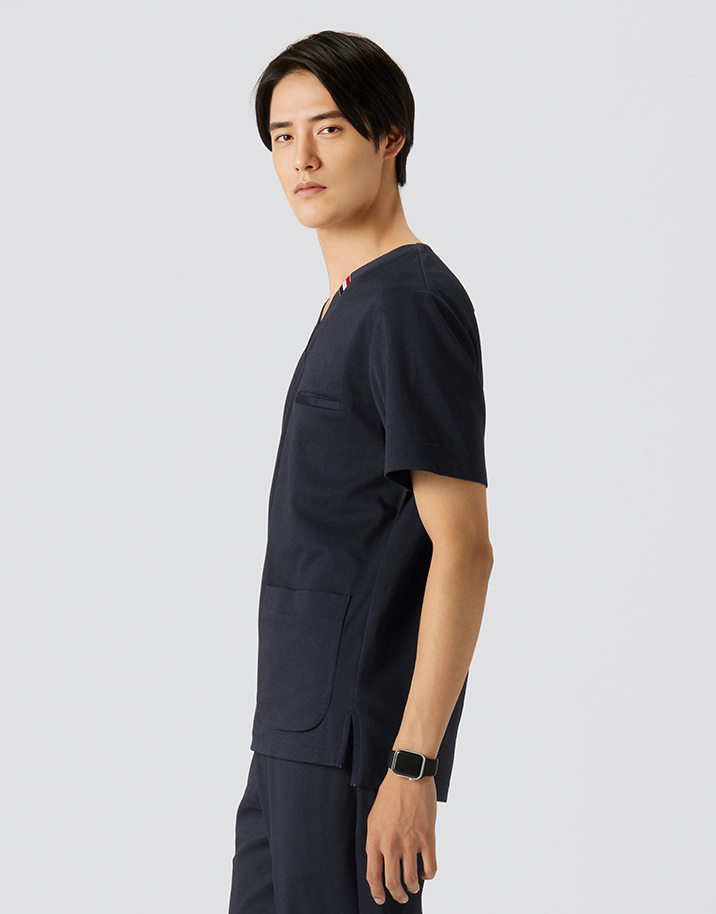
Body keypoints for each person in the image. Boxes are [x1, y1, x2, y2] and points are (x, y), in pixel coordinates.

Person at [228, 30, 493, 913]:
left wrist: (411, 765)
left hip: (352, 747)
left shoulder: (409, 306)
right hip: (290, 734)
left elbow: (465, 548)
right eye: (281, 135)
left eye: (330, 128)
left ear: (390, 138)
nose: (301, 157)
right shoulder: (351, 302)